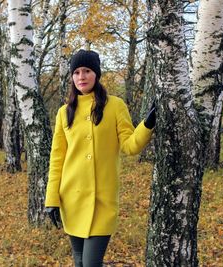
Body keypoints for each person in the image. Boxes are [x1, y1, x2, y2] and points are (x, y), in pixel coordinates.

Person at [45, 49, 156, 267]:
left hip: (102, 202)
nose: (81, 77)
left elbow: (130, 146)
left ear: (96, 74)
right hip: (71, 199)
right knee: (79, 261)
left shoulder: (115, 106)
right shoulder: (63, 112)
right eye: (76, 72)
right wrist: (52, 199)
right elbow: (57, 159)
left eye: (86, 71)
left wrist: (148, 125)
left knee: (91, 263)